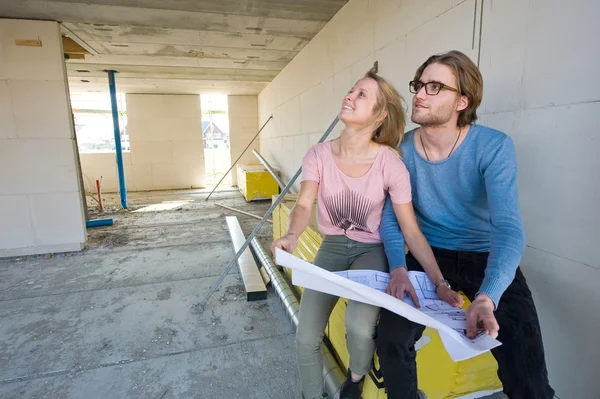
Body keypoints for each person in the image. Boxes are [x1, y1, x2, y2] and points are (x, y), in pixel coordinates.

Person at [272, 71, 463, 399]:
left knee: (360, 329)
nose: (349, 97)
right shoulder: (318, 154)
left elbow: (411, 231)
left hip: (371, 252)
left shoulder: (390, 162)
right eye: (350, 90)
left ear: (380, 114)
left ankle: (356, 379)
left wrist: (440, 282)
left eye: (361, 94)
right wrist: (291, 234)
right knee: (305, 338)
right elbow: (304, 204)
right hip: (331, 248)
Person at [375, 50, 555, 399]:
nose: (420, 94)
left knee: (528, 370)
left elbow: (508, 227)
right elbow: (392, 219)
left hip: (482, 254)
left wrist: (488, 295)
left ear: (462, 101)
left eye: (435, 87)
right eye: (419, 84)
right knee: (392, 340)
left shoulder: (494, 146)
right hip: (426, 255)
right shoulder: (400, 150)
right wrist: (399, 265)